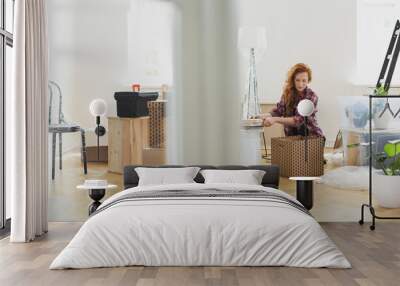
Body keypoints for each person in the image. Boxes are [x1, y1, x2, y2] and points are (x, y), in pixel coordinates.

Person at [257, 63, 324, 137]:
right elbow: (278, 111)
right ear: (293, 80)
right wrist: (260, 116)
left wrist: (274, 119)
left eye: (304, 81)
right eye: (297, 80)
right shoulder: (287, 93)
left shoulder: (312, 96)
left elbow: (298, 120)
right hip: (292, 139)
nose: (300, 84)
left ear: (308, 81)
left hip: (311, 138)